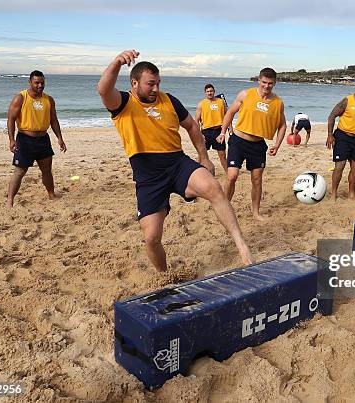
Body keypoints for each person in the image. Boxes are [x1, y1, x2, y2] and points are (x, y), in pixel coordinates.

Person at [97, 49, 253, 273]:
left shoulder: (169, 100)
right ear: (134, 83)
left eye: (158, 83)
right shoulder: (123, 103)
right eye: (150, 84)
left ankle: (241, 245)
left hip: (177, 163)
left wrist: (203, 156)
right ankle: (164, 275)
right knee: (151, 237)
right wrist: (116, 63)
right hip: (148, 175)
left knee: (214, 187)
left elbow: (191, 125)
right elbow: (103, 90)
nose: (156, 89)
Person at [219, 67, 287, 220]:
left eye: (270, 83)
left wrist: (277, 144)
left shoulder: (278, 103)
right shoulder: (245, 94)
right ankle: (224, 207)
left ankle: (255, 212)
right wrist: (223, 132)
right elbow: (230, 113)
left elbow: (282, 125)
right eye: (264, 82)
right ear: (259, 80)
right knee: (232, 175)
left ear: (275, 83)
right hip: (238, 140)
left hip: (257, 145)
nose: (266, 86)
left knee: (256, 180)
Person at [6, 70, 67, 207]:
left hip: (43, 140)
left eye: (42, 83)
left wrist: (60, 138)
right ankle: (10, 200)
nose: (40, 85)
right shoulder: (21, 98)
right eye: (37, 83)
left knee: (46, 170)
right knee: (20, 171)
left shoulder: (48, 99)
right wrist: (11, 139)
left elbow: (54, 120)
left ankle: (51, 194)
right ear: (30, 82)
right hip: (25, 139)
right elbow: (11, 119)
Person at [195, 84, 228, 174]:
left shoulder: (221, 102)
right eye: (208, 91)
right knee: (201, 155)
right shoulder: (201, 104)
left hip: (218, 131)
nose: (210, 93)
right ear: (205, 93)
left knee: (222, 155)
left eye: (211, 91)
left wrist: (230, 128)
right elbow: (196, 120)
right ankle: (196, 173)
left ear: (214, 91)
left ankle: (228, 173)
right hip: (206, 132)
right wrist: (200, 134)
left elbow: (227, 116)